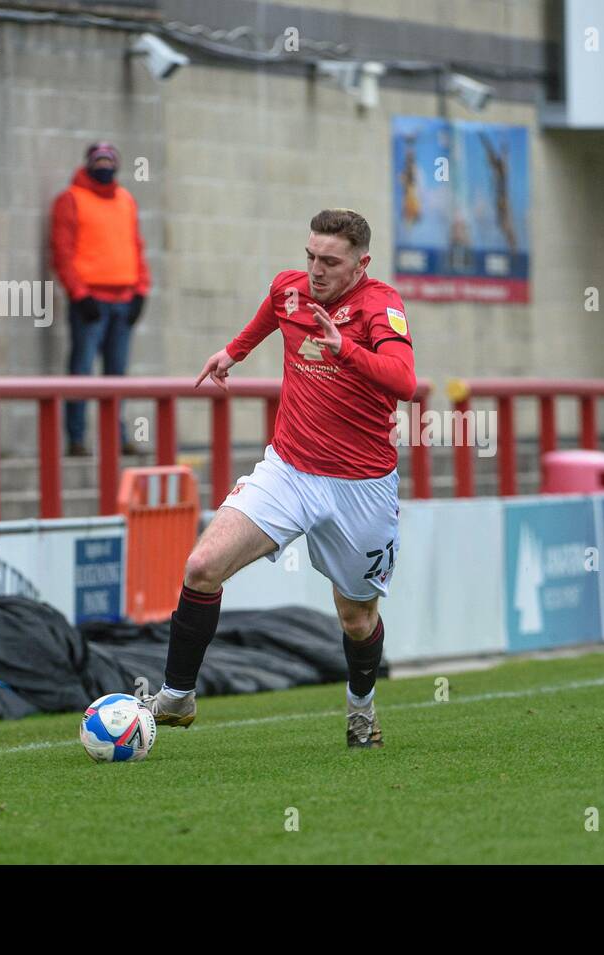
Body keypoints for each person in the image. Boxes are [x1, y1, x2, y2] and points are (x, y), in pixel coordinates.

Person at [142, 209, 416, 748]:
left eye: (330, 262)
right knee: (201, 566)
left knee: (356, 618)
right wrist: (233, 352)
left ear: (362, 263)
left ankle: (361, 708)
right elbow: (273, 310)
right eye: (311, 256)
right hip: (288, 470)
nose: (316, 270)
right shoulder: (291, 289)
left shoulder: (381, 306)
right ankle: (177, 695)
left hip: (360, 488)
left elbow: (404, 381)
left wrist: (347, 350)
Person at [49, 141, 150, 457]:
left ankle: (116, 438)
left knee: (117, 376)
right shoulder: (70, 199)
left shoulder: (126, 200)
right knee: (81, 373)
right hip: (89, 303)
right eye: (100, 161)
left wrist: (141, 291)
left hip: (123, 301)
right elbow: (62, 251)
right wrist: (79, 295)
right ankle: (76, 439)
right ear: (90, 164)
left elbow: (136, 247)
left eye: (110, 161)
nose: (105, 166)